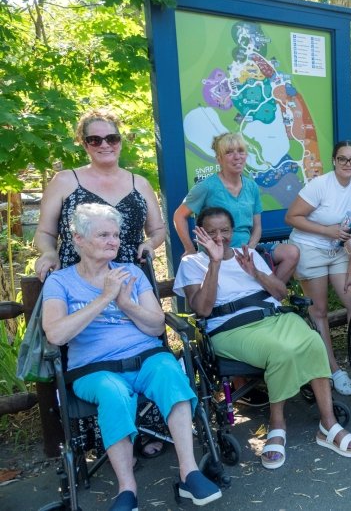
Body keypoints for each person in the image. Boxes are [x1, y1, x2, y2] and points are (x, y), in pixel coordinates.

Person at [41, 204, 221, 511]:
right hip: (94, 370)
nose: (113, 241)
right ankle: (127, 490)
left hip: (146, 357)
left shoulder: (133, 273)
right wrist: (104, 298)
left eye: (115, 234)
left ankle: (188, 471)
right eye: (103, 235)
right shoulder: (60, 282)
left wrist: (126, 304)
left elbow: (154, 325)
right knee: (113, 394)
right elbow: (56, 335)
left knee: (169, 371)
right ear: (79, 239)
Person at [173, 207, 351, 470]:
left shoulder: (249, 254)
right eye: (212, 232)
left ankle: (328, 423)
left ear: (233, 231)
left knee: (313, 341)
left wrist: (256, 273)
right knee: (280, 351)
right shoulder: (192, 263)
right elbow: (203, 309)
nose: (220, 237)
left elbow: (281, 293)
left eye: (225, 231)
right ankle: (277, 424)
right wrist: (215, 263)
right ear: (201, 233)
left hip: (272, 316)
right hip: (230, 329)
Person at [34, 108, 166, 281]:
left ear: (120, 141)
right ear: (85, 145)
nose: (105, 145)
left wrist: (149, 244)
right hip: (77, 278)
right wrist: (49, 252)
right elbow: (45, 232)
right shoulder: (64, 181)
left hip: (131, 278)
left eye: (112, 139)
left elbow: (157, 230)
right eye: (95, 140)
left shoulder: (140, 183)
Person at [285, 141, 351, 395]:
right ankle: (333, 370)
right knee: (319, 310)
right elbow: (292, 217)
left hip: (339, 252)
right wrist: (326, 231)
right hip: (310, 249)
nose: (348, 164)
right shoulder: (320, 185)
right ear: (334, 160)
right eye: (342, 159)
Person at [173, 132, 299, 285]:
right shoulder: (206, 187)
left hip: (246, 250)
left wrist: (250, 249)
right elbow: (179, 216)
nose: (237, 156)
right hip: (218, 253)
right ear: (219, 159)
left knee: (291, 253)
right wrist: (189, 249)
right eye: (229, 152)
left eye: (241, 151)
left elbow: (257, 226)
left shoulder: (251, 186)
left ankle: (267, 295)